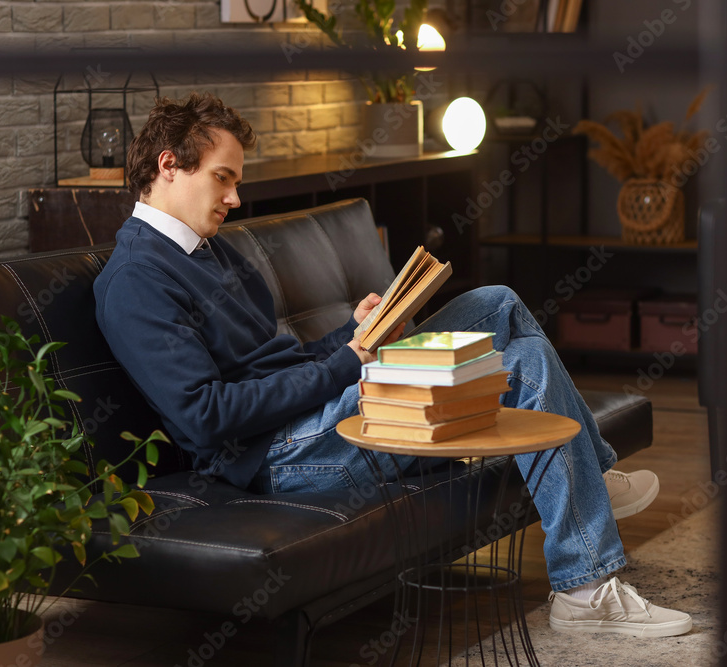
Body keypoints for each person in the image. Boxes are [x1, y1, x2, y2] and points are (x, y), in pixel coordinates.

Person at [94, 92, 692, 637]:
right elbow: (205, 417)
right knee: (526, 364)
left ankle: (590, 472)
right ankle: (584, 589)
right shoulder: (136, 280)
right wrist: (348, 365)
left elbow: (281, 361)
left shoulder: (210, 250)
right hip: (283, 455)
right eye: (223, 179)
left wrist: (354, 335)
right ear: (168, 166)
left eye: (236, 181)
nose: (235, 198)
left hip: (314, 413)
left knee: (498, 304)